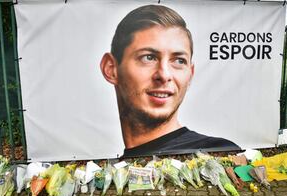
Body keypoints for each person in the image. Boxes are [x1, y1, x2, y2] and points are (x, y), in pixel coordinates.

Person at [100, 4, 240, 157]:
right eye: (149, 57)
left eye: (179, 61)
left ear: (190, 74)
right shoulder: (105, 170)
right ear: (111, 68)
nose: (164, 75)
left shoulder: (219, 154)